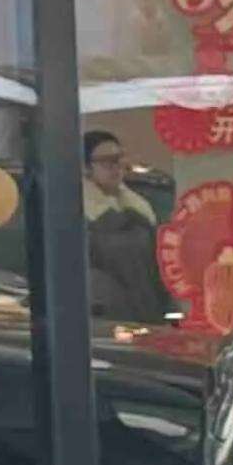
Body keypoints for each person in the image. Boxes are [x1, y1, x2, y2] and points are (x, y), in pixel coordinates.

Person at [81, 130, 170, 323]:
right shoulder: (78, 213)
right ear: (87, 167)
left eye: (119, 159)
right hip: (106, 319)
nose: (116, 167)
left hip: (149, 315)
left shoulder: (139, 207)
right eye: (106, 161)